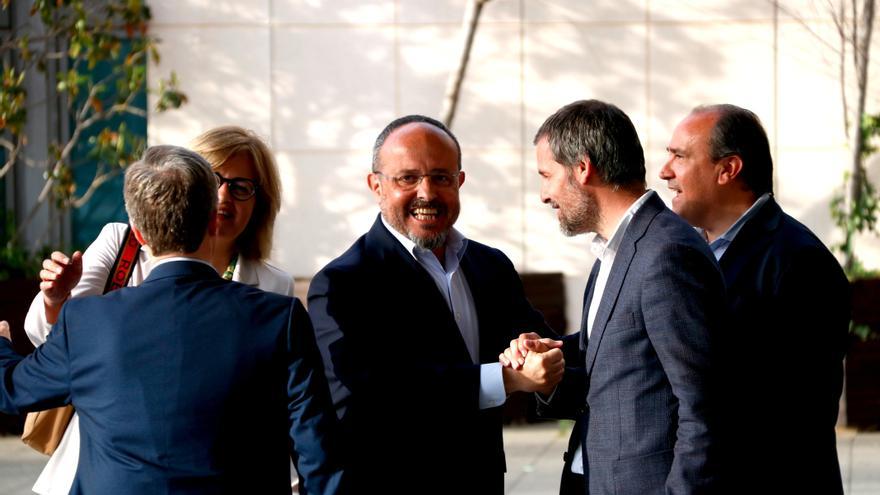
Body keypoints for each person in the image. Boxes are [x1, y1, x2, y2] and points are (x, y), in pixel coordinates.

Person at [0, 145, 342, 494]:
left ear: (139, 233)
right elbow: (315, 447)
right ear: (212, 220)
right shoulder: (279, 318)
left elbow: (13, 389)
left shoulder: (87, 319)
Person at [307, 115, 562, 494]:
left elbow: (544, 350)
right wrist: (505, 378)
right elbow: (373, 397)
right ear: (376, 185)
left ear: (459, 182)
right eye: (407, 178)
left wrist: (536, 352)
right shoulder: (343, 283)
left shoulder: (490, 266)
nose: (426, 193)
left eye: (441, 177)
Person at [502, 99, 726, 494]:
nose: (543, 194)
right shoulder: (614, 248)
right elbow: (616, 371)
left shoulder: (667, 253)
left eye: (547, 175)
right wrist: (546, 360)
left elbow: (706, 408)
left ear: (582, 169)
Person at [659, 104, 850, 494]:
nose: (664, 171)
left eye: (679, 156)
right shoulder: (690, 250)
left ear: (728, 170)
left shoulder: (799, 262)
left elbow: (791, 413)